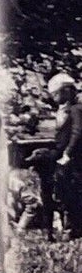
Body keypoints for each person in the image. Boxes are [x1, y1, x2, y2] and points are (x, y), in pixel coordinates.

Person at [28, 73, 82, 238]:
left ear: (66, 91)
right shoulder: (64, 110)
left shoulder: (76, 109)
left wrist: (67, 153)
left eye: (56, 93)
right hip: (59, 154)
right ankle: (48, 229)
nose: (54, 97)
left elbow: (77, 133)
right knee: (48, 187)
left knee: (65, 193)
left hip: (69, 157)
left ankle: (67, 229)